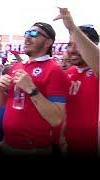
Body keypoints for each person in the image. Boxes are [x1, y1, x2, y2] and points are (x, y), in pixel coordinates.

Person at [0, 22, 70, 155]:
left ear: (48, 42)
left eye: (34, 34)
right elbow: (0, 104)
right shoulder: (16, 67)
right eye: (27, 33)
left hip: (33, 149)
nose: (27, 37)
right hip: (8, 143)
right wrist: (0, 89)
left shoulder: (55, 70)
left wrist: (32, 89)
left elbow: (56, 118)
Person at [54, 8, 99, 156]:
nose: (72, 50)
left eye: (78, 44)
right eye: (70, 44)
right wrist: (62, 137)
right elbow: (66, 112)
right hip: (71, 147)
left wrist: (72, 28)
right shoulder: (69, 74)